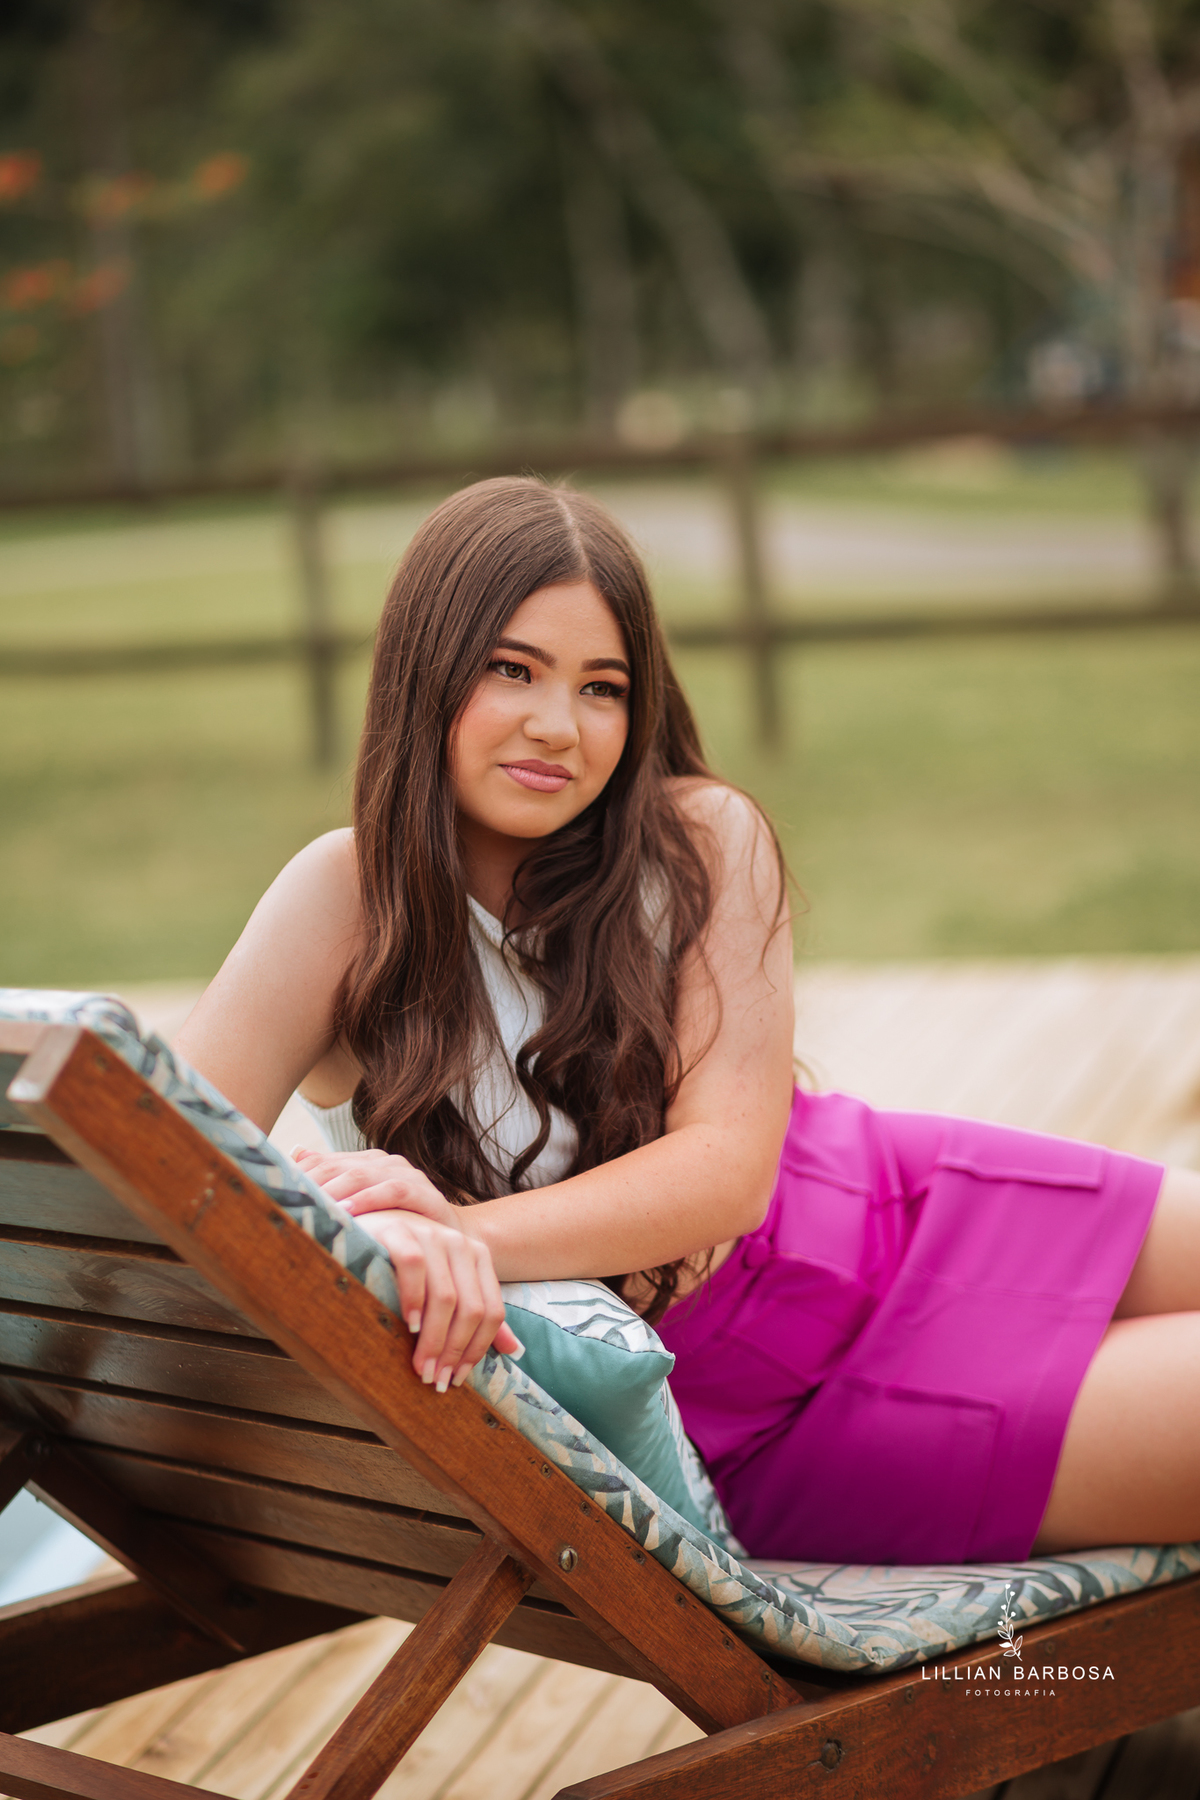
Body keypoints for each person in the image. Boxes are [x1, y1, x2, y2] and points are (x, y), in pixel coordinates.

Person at [175, 476, 1200, 1568]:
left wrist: (458, 1234)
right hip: (761, 1414)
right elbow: (152, 1170)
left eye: (602, 687)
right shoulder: (340, 902)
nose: (558, 728)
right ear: (426, 669)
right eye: (511, 669)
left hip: (883, 1204)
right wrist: (364, 1238)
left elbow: (725, 1172)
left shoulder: (701, 839)